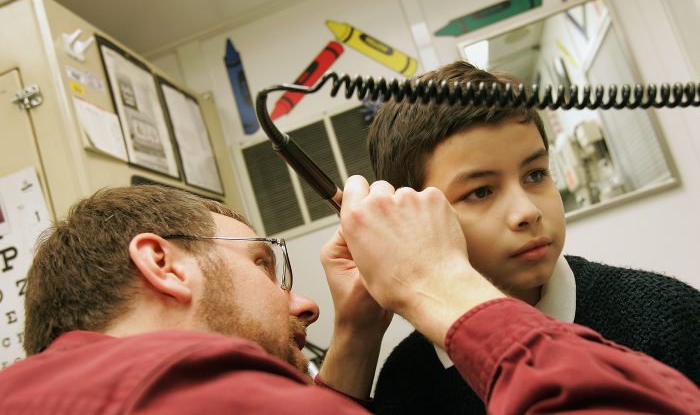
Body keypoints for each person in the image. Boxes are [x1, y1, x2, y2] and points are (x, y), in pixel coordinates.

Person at [0, 184, 697, 414]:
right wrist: (437, 282)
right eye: (266, 267)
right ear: (164, 264)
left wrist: (357, 333)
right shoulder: (176, 388)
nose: (305, 306)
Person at [366, 60, 700, 414]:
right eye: (480, 192)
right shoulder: (405, 383)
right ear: (414, 220)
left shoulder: (665, 314)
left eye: (536, 174)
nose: (527, 211)